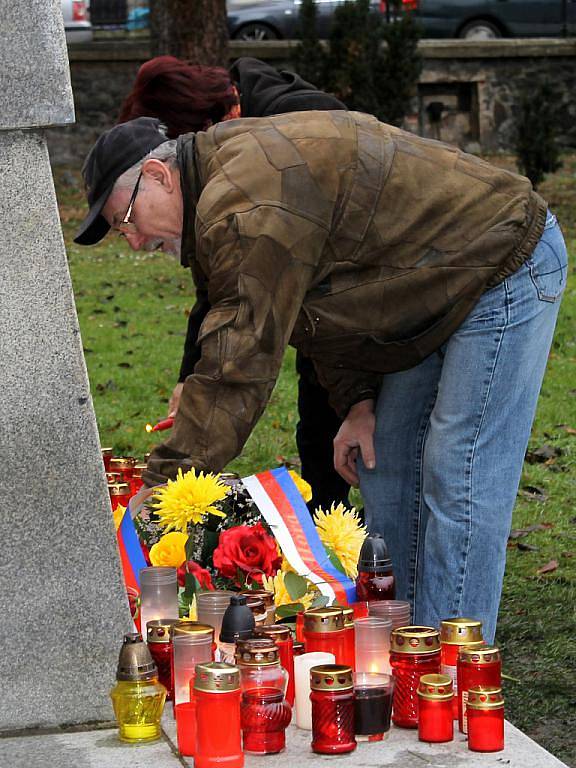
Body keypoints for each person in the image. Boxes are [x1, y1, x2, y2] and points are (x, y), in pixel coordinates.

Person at [74, 112, 567, 643]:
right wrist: (357, 403)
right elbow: (324, 304)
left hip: (501, 262)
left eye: (126, 218)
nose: (133, 241)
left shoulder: (247, 204)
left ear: (160, 175)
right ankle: (402, 652)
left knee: (457, 470)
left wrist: (162, 484)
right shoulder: (223, 192)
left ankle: (453, 672)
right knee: (386, 461)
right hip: (430, 286)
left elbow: (238, 366)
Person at [118, 55, 350, 514]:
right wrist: (190, 376)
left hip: (337, 294)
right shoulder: (214, 158)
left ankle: (331, 525)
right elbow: (216, 281)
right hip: (292, 288)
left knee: (328, 407)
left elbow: (247, 325)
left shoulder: (295, 124)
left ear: (204, 127)